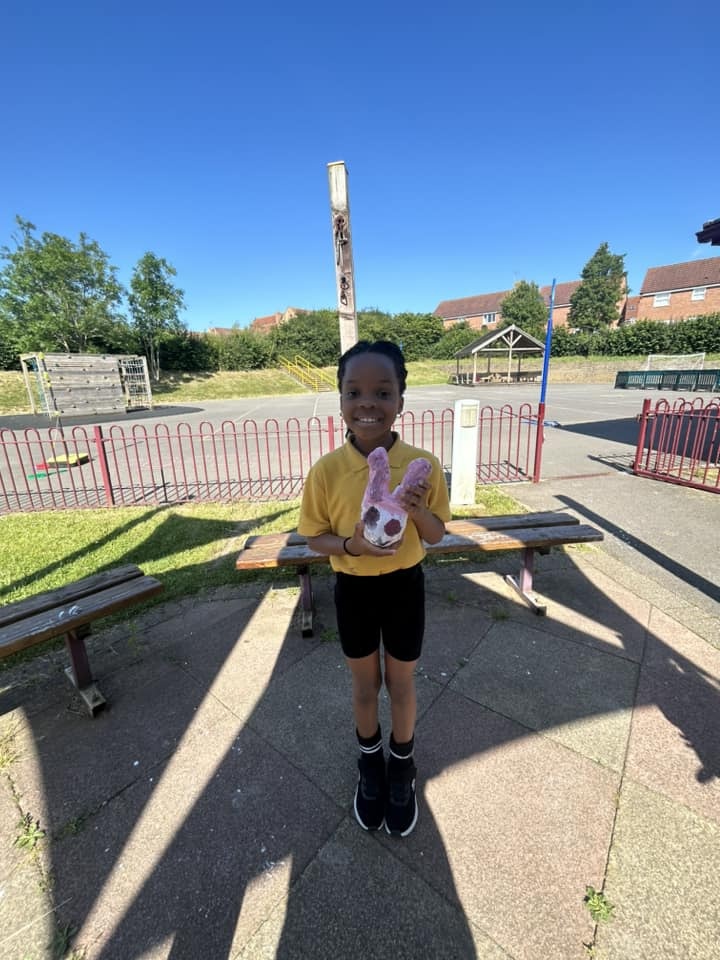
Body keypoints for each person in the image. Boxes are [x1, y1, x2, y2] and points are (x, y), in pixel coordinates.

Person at [297, 340, 451, 837]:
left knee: (401, 683)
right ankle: (370, 763)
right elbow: (314, 537)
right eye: (354, 392)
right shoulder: (326, 471)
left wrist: (417, 509)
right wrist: (351, 545)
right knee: (366, 686)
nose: (368, 403)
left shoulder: (422, 465)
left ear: (401, 399)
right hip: (354, 589)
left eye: (383, 392)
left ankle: (401, 766)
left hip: (405, 587)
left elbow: (436, 534)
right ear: (341, 399)